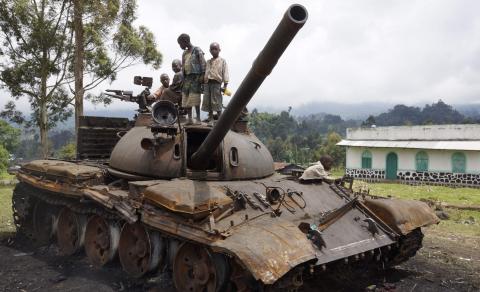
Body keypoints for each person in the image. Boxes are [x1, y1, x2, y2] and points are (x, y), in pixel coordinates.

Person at [177, 33, 206, 124]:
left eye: (180, 43)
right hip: (187, 78)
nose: (180, 46)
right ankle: (189, 119)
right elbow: (183, 66)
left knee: (195, 97)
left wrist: (202, 76)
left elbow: (203, 64)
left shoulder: (197, 50)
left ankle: (198, 119)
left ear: (185, 41)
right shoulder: (184, 53)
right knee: (186, 97)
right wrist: (183, 78)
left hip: (196, 77)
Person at [202, 42, 229, 124]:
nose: (214, 51)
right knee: (207, 101)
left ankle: (220, 119)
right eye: (212, 49)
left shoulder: (222, 61)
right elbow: (205, 72)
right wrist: (203, 84)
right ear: (210, 51)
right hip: (207, 83)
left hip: (216, 83)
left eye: (215, 49)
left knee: (217, 101)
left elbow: (225, 73)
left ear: (219, 50)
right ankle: (210, 118)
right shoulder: (208, 61)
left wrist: (225, 85)